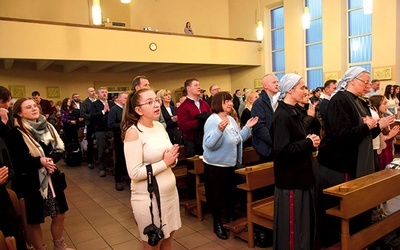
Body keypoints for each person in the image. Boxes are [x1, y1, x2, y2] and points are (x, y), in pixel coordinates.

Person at [317, 67, 387, 247]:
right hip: (339, 165)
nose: (368, 86)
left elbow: (364, 135)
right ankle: (338, 242)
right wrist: (368, 126)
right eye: (365, 81)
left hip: (354, 162)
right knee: (340, 208)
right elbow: (343, 135)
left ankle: (358, 239)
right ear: (352, 81)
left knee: (356, 208)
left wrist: (377, 126)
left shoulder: (359, 101)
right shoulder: (340, 100)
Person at [4, 98, 72, 250]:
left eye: (35, 106)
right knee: (34, 220)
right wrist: (39, 162)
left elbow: (59, 148)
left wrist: (49, 160)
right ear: (19, 113)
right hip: (29, 181)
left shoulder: (47, 126)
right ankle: (40, 248)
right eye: (28, 107)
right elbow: (16, 161)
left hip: (51, 176)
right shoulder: (14, 134)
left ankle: (59, 244)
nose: (34, 109)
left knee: (60, 214)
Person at [121, 89, 181, 250]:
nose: (156, 105)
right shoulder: (133, 133)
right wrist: (165, 162)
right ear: (138, 109)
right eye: (149, 102)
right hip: (149, 198)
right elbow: (134, 173)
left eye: (156, 100)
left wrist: (172, 158)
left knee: (168, 238)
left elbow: (168, 159)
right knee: (153, 244)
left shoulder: (159, 126)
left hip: (169, 194)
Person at [270, 73, 320, 250]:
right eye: (302, 87)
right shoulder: (282, 115)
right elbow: (281, 149)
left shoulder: (295, 111)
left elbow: (296, 138)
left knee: (301, 220)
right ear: (290, 90)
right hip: (290, 178)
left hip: (300, 174)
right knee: (292, 224)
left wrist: (308, 139)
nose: (306, 91)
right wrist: (308, 142)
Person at [202, 91, 258, 240]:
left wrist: (247, 127)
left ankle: (229, 217)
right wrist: (219, 131)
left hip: (231, 164)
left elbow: (238, 139)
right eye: (227, 101)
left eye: (231, 101)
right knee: (216, 196)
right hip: (216, 166)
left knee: (229, 194)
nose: (231, 104)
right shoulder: (212, 120)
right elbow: (209, 145)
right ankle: (217, 223)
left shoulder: (231, 120)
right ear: (218, 103)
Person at [177, 78, 211, 199]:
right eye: (196, 85)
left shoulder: (204, 104)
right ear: (188, 88)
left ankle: (205, 193)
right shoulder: (184, 107)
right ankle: (192, 196)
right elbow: (182, 125)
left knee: (206, 168)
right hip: (192, 142)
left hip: (205, 141)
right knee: (193, 169)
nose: (199, 87)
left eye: (199, 84)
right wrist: (199, 121)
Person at [251, 73, 279, 162]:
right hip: (269, 148)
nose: (277, 84)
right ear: (265, 86)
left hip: (280, 146)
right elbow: (259, 128)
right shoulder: (259, 104)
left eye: (277, 82)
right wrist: (277, 142)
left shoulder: (280, 100)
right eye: (274, 82)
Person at [369, 95, 400, 171]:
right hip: (381, 151)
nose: (387, 105)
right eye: (384, 103)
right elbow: (377, 137)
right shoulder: (375, 118)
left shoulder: (382, 116)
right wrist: (389, 136)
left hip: (387, 148)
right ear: (377, 105)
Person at [90, 87, 114, 177]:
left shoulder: (111, 103)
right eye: (102, 92)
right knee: (102, 147)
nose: (104, 94)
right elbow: (92, 116)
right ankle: (102, 167)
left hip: (110, 129)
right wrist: (103, 111)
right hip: (100, 129)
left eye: (106, 92)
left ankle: (113, 163)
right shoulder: (95, 104)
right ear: (98, 94)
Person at [108, 92, 128, 191]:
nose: (126, 100)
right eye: (125, 98)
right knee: (120, 158)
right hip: (119, 137)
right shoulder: (114, 110)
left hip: (129, 136)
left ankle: (126, 175)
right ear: (119, 99)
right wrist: (123, 125)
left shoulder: (128, 110)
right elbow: (111, 124)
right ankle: (118, 180)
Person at [80, 87, 97, 169]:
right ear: (88, 93)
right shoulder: (85, 103)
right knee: (90, 143)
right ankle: (90, 161)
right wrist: (92, 116)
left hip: (97, 124)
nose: (93, 92)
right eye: (91, 91)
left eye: (94, 91)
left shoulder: (97, 101)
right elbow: (82, 114)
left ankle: (98, 159)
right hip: (90, 124)